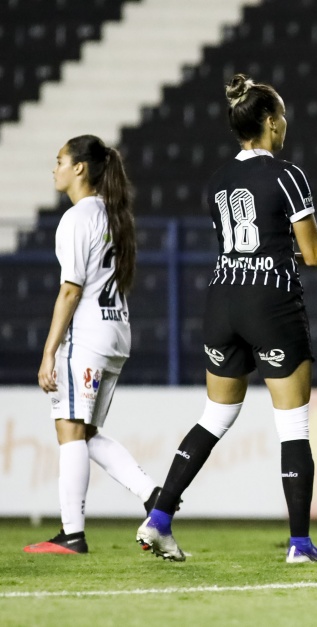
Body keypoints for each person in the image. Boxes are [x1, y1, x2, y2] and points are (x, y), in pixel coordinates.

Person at [135, 74, 317, 563]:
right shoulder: (287, 174)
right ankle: (300, 544)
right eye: (280, 115)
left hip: (222, 301)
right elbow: (313, 254)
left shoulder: (218, 179)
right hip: (271, 303)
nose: (285, 123)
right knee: (294, 425)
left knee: (215, 416)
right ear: (267, 121)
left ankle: (158, 519)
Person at [24, 136, 163, 555]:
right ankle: (155, 496)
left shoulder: (76, 218)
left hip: (85, 336)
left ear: (80, 168)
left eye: (60, 160)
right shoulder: (113, 214)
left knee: (68, 429)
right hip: (116, 332)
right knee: (85, 430)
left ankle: (72, 534)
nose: (55, 168)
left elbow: (71, 290)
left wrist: (49, 351)